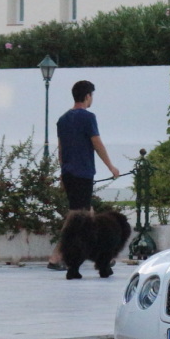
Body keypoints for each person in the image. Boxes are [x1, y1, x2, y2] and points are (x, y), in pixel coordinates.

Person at [47, 80, 120, 271]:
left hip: (70, 173)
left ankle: (100, 256)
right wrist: (111, 167)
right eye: (92, 95)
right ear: (87, 96)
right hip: (82, 173)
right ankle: (56, 256)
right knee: (76, 217)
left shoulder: (63, 119)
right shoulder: (88, 117)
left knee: (88, 215)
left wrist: (63, 173)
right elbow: (97, 143)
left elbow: (61, 149)